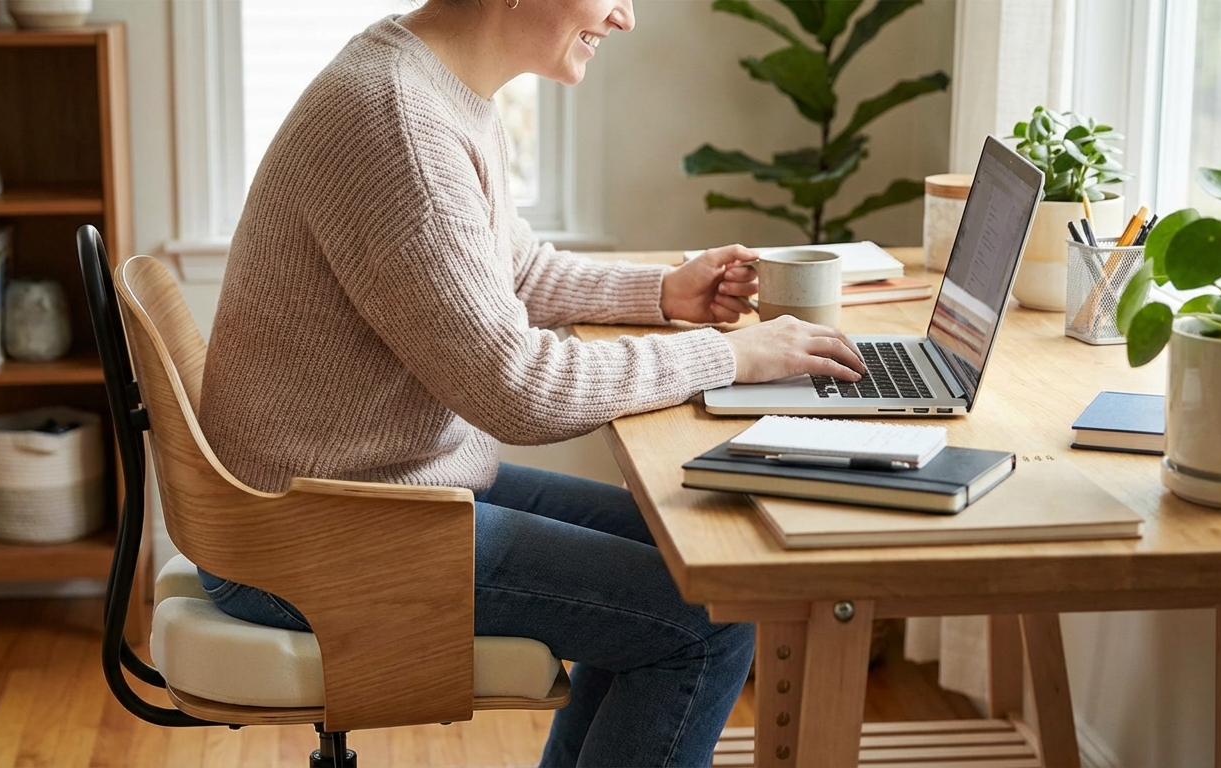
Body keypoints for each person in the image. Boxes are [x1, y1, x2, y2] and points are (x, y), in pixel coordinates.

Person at [196, 0, 866, 764]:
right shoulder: (397, 123)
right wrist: (728, 356)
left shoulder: (434, 87)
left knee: (696, 551)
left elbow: (510, 269)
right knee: (705, 619)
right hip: (318, 535)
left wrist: (661, 294)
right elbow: (518, 389)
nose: (625, 16)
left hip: (372, 491)